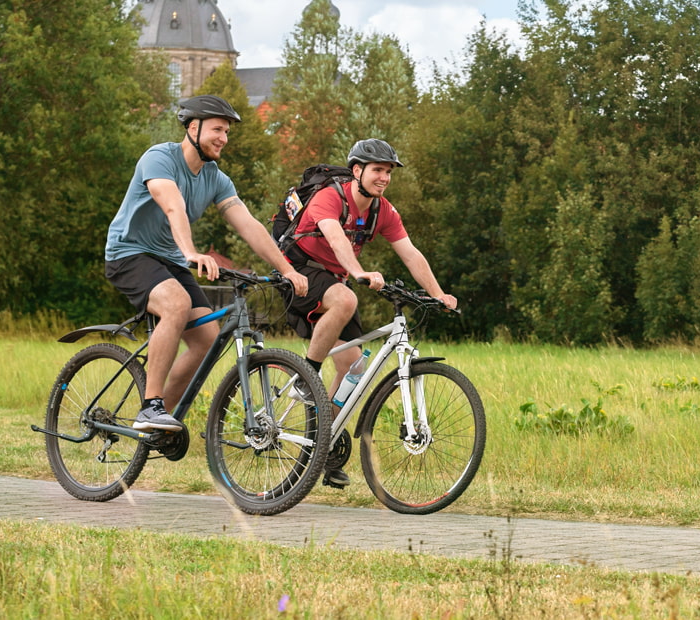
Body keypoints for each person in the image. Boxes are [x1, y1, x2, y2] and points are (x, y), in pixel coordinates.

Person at [105, 95, 308, 432]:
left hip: (169, 260)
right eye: (217, 129)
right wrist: (190, 252)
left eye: (227, 132)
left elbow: (249, 226)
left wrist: (287, 269)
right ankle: (150, 406)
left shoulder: (215, 178)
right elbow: (173, 207)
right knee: (176, 304)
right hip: (129, 253)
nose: (223, 138)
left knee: (206, 339)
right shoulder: (159, 158)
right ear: (193, 127)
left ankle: (159, 425)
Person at [280, 138, 457, 487]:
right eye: (377, 170)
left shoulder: (383, 211)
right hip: (298, 270)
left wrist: (437, 293)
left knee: (354, 367)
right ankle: (306, 376)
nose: (384, 178)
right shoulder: (330, 196)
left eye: (388, 172)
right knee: (346, 300)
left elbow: (409, 252)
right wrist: (357, 272)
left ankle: (321, 443)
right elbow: (334, 237)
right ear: (357, 170)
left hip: (334, 278)